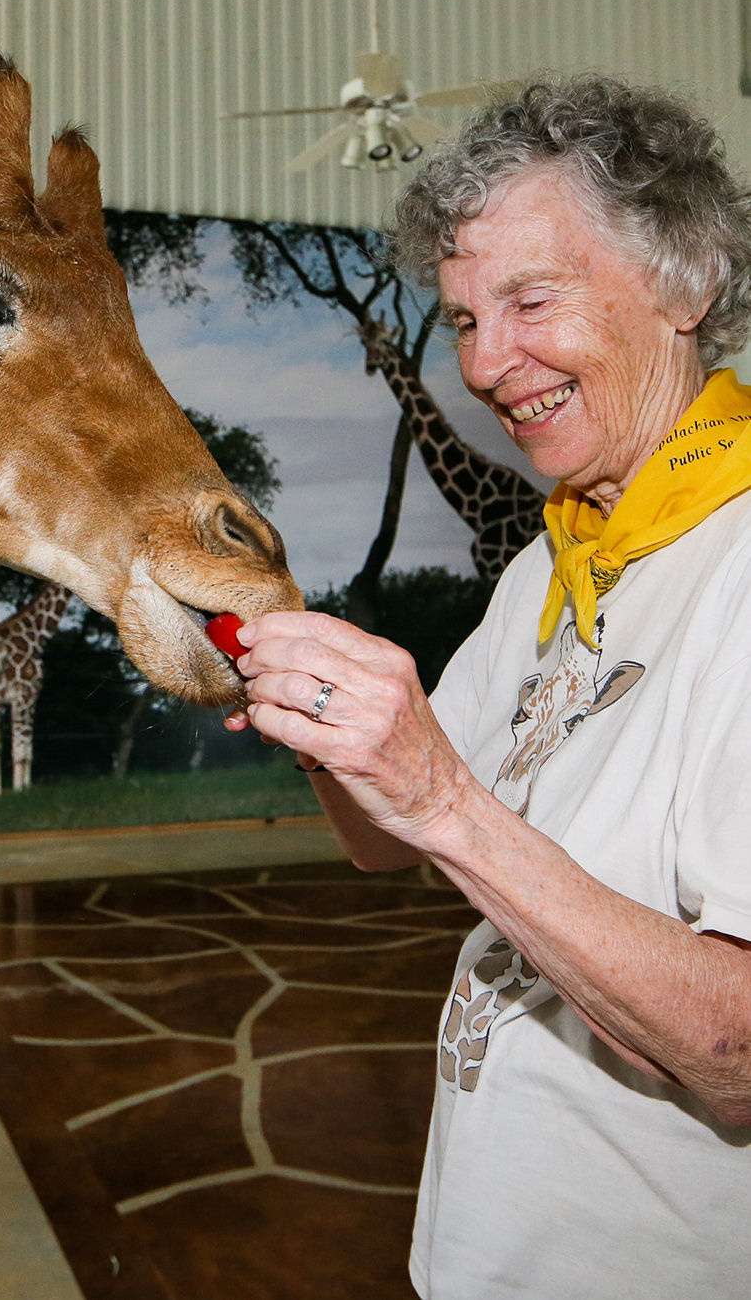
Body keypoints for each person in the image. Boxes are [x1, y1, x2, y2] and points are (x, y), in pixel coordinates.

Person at [227, 76, 751, 1298]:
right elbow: (383, 841)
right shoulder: (547, 563)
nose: (487, 362)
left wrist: (443, 800)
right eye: (462, 317)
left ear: (683, 284)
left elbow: (734, 1048)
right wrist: (312, 720)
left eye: (529, 300)